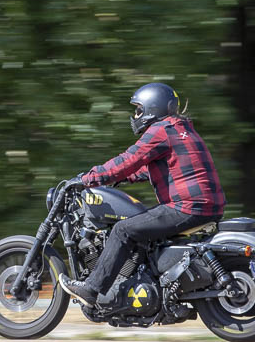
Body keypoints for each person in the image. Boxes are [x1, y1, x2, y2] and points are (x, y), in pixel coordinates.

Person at [58, 82, 226, 306]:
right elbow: (149, 168)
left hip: (187, 206)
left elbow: (128, 160)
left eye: (138, 109)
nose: (135, 115)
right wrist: (120, 178)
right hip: (209, 206)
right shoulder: (183, 130)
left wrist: (89, 178)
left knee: (122, 230)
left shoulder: (161, 130)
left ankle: (91, 289)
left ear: (151, 108)